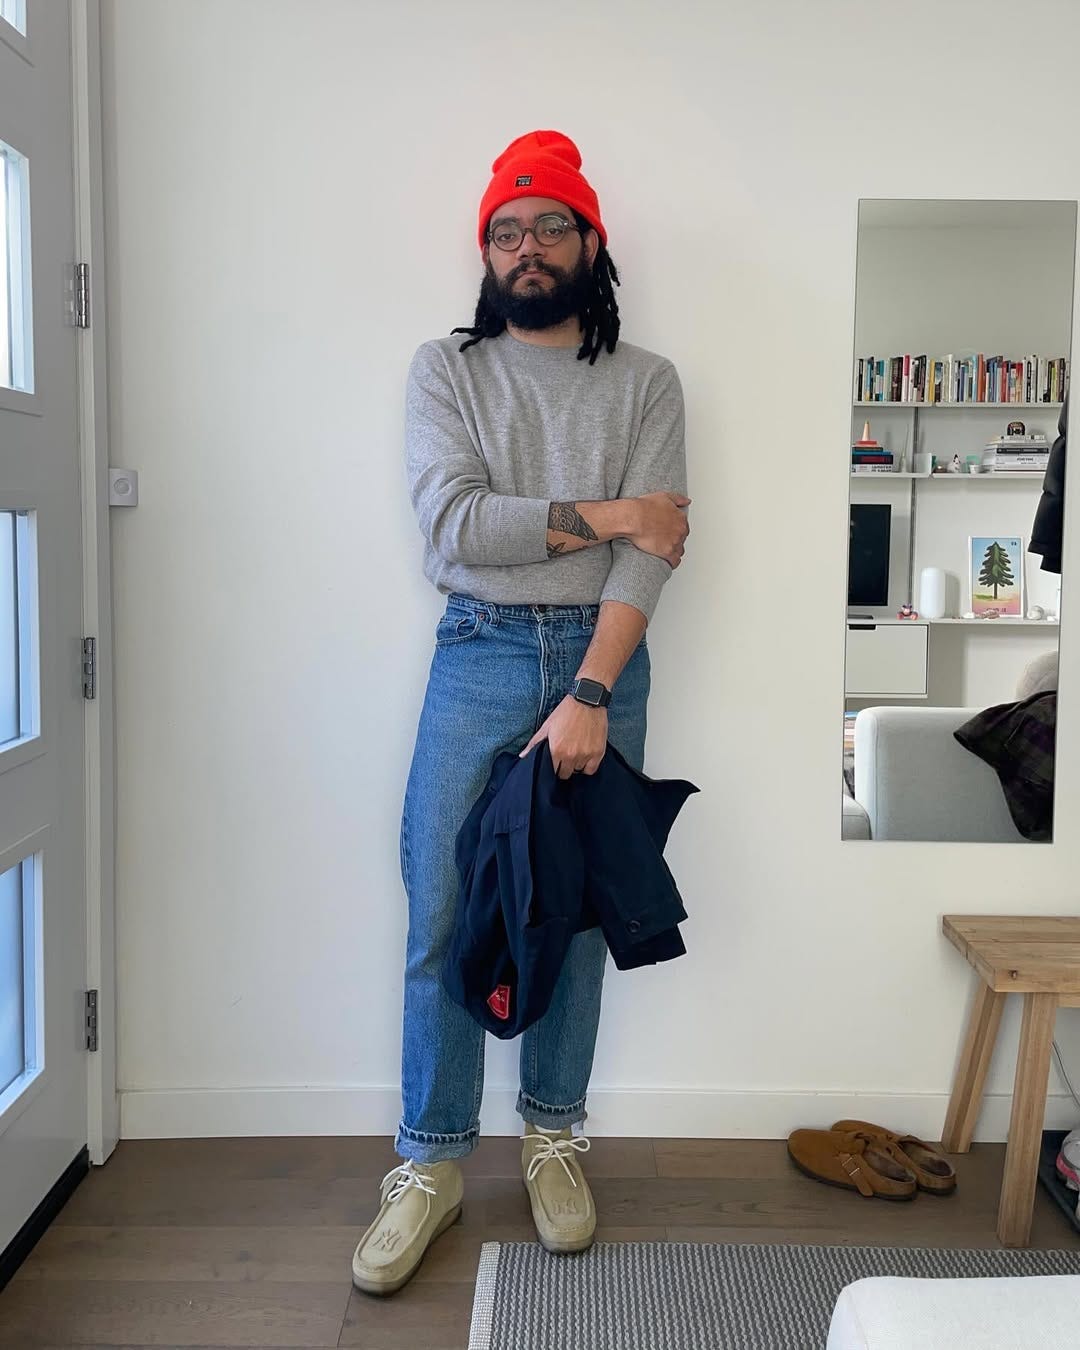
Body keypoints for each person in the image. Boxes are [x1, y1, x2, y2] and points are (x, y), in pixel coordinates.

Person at [351, 129, 690, 1296]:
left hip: (601, 658)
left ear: (591, 242)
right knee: (441, 904)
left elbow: (658, 559)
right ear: (485, 251)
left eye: (552, 225)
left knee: (577, 910)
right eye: (508, 228)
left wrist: (591, 692)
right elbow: (455, 525)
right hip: (480, 653)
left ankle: (553, 1132)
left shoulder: (647, 381)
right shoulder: (446, 371)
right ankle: (432, 1162)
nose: (528, 246)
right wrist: (615, 514)